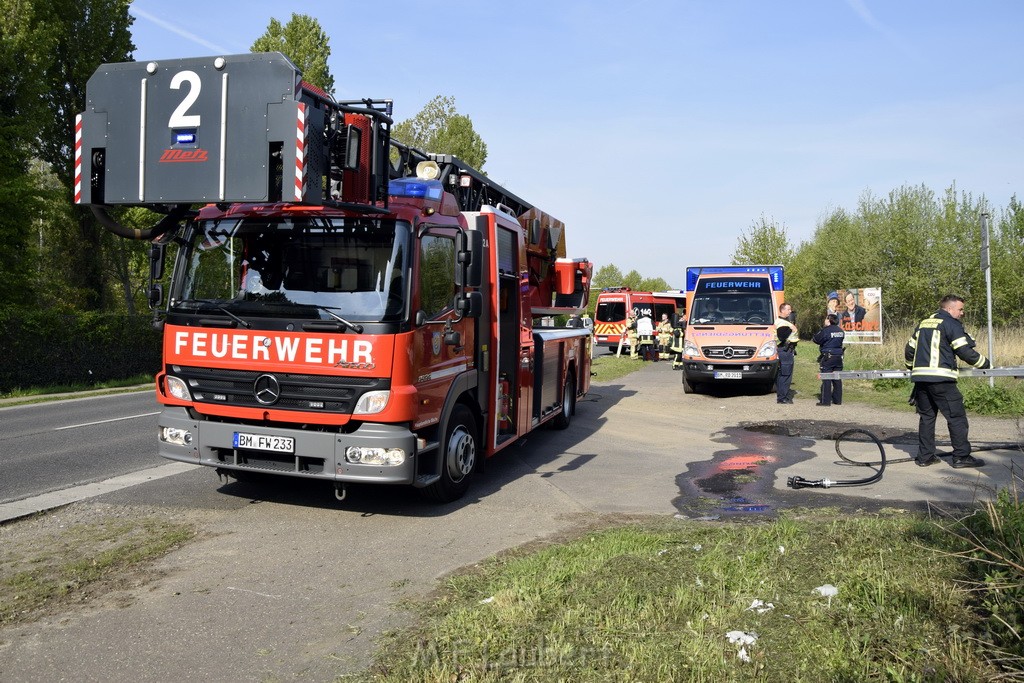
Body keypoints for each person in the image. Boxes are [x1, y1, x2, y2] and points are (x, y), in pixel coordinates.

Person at [904, 295, 991, 468]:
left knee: (927, 418)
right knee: (956, 417)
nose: (962, 313)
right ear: (949, 309)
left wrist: (911, 368)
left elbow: (909, 350)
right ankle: (961, 457)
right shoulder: (951, 324)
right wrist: (986, 364)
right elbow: (964, 351)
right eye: (960, 309)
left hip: (921, 380)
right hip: (942, 380)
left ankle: (925, 457)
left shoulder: (923, 323)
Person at [812, 313, 845, 406]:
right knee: (837, 378)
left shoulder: (826, 331)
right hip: (839, 357)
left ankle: (825, 401)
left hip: (828, 357)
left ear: (829, 320)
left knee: (826, 378)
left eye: (826, 319)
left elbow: (816, 339)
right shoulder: (841, 331)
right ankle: (837, 400)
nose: (825, 321)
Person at [774, 302, 799, 404]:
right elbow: (782, 336)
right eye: (788, 309)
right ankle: (783, 398)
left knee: (782, 374)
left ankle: (781, 395)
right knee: (786, 374)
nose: (790, 311)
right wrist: (791, 328)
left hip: (786, 350)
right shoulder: (782, 323)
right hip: (785, 350)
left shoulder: (784, 321)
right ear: (782, 310)